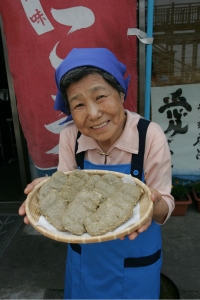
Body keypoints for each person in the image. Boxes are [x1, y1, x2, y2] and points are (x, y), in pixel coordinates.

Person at [19, 48, 174, 299]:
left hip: (136, 257)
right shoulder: (71, 135)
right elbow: (64, 185)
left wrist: (151, 202)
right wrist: (48, 187)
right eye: (78, 104)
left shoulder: (149, 136)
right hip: (85, 261)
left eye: (100, 96)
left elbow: (166, 206)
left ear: (121, 93)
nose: (93, 113)